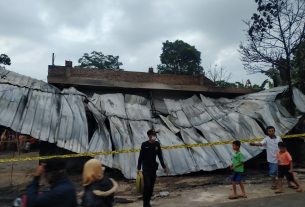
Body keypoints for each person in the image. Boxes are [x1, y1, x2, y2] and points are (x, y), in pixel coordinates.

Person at [137, 129, 168, 207]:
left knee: (151, 187)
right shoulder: (144, 144)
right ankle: (145, 204)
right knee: (147, 185)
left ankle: (148, 202)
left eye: (155, 135)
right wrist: (138, 167)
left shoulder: (157, 144)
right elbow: (141, 157)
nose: (154, 137)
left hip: (153, 168)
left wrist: (164, 166)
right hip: (146, 169)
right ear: (149, 136)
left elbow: (160, 156)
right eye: (153, 135)